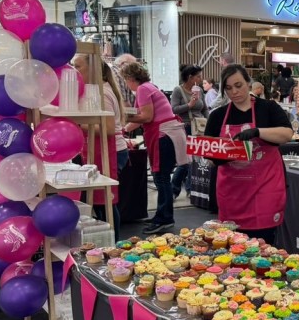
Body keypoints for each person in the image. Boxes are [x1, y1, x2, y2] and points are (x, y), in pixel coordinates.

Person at [204, 64, 294, 244]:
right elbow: (209, 153)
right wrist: (216, 157)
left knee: (262, 247)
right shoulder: (218, 116)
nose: (234, 92)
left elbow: (287, 134)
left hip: (264, 189)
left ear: (248, 82)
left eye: (238, 85)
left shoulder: (267, 108)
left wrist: (258, 132)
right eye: (228, 88)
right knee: (233, 249)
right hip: (232, 193)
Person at [120, 63, 188, 234]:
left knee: (161, 178)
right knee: (161, 177)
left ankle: (164, 218)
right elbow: (145, 116)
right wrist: (124, 129)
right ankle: (162, 214)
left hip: (163, 135)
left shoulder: (143, 89)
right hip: (167, 134)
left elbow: (146, 116)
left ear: (130, 78)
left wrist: (123, 114)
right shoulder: (150, 87)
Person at [73, 54, 127, 228]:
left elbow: (109, 129)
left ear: (93, 69)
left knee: (106, 203)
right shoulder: (97, 91)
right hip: (101, 150)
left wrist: (77, 124)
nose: (74, 71)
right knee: (102, 203)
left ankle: (113, 241)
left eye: (78, 66)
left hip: (111, 152)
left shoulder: (102, 93)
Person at [170, 65, 205, 199]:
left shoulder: (199, 90)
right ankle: (174, 189)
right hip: (185, 127)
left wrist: (207, 120)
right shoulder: (178, 90)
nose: (201, 79)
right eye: (198, 76)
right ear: (190, 77)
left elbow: (204, 108)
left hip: (199, 127)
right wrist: (189, 105)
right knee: (185, 161)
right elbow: (173, 109)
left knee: (196, 160)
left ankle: (191, 189)